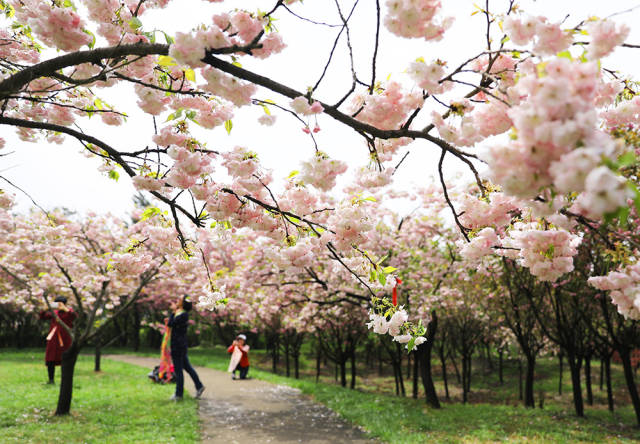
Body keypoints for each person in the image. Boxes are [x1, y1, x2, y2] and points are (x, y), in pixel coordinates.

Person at [167, 295, 205, 401]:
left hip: (178, 346)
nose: (177, 300)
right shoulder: (180, 314)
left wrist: (173, 312)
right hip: (179, 345)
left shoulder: (183, 315)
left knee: (178, 370)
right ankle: (199, 386)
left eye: (180, 299)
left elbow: (171, 324)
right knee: (187, 367)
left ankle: (178, 394)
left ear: (183, 303)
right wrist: (174, 313)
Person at [39, 296, 76, 384]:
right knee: (50, 359)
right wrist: (45, 309)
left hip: (65, 339)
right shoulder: (54, 313)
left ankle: (65, 380)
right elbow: (42, 317)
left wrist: (65, 309)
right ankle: (51, 380)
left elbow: (74, 316)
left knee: (65, 359)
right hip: (53, 339)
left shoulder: (69, 312)